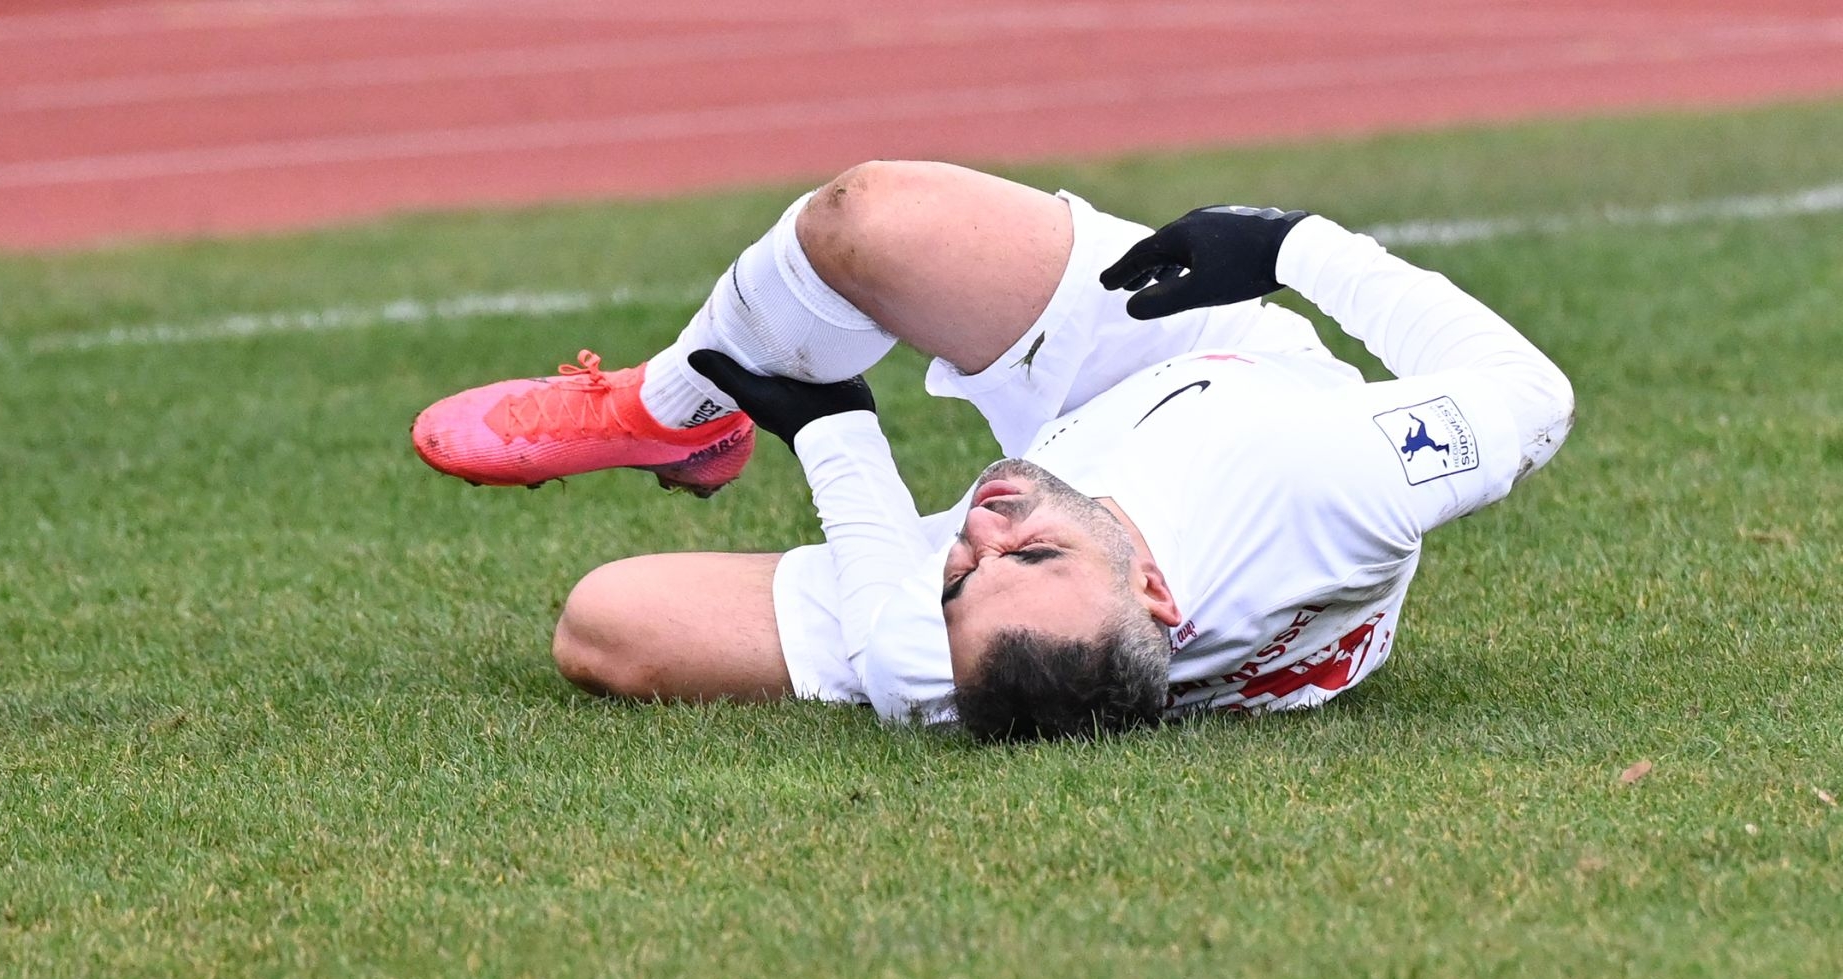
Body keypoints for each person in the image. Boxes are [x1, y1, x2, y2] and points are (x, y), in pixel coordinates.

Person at [412, 161, 1574, 741]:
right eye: (1026, 555)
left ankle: (705, 415)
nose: (981, 527)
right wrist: (1290, 246)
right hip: (1199, 373)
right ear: (1156, 587)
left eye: (962, 574)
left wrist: (829, 425)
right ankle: (664, 404)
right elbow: (1531, 394)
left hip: (1109, 500)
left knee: (606, 626)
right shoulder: (1329, 480)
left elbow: (895, 627)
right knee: (867, 221)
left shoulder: (957, 664)